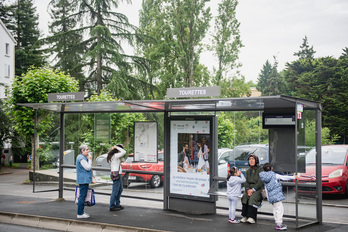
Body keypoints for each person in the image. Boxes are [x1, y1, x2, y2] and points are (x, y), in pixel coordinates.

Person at [259, 163, 298, 231]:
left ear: (263, 169)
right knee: (279, 209)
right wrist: (293, 177)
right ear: (271, 168)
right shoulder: (274, 175)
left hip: (271, 196)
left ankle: (277, 222)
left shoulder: (264, 177)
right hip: (277, 196)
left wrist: (268, 197)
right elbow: (284, 177)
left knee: (275, 209)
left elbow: (266, 188)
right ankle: (279, 224)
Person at [241, 154, 264, 224]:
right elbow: (246, 181)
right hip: (249, 189)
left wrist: (253, 189)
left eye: (253, 159)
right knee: (245, 196)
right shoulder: (248, 171)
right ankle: (245, 216)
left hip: (258, 189)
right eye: (250, 159)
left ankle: (252, 217)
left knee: (252, 198)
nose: (251, 160)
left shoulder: (261, 169)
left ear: (256, 160)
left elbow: (260, 181)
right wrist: (248, 190)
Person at [107, 144, 126, 211]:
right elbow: (124, 152)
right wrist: (116, 147)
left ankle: (117, 204)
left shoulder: (112, 156)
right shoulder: (115, 156)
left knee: (120, 189)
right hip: (116, 175)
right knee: (115, 191)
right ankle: (112, 206)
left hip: (116, 174)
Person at [76, 144, 93, 219]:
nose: (88, 151)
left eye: (88, 149)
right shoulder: (81, 158)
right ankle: (80, 213)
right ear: (82, 151)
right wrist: (90, 160)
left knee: (82, 196)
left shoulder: (81, 157)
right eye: (86, 150)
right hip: (83, 180)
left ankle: (81, 212)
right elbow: (88, 168)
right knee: (82, 196)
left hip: (83, 179)